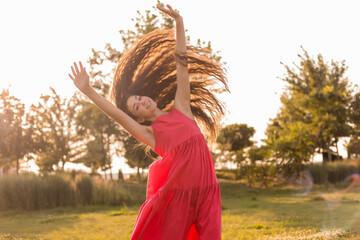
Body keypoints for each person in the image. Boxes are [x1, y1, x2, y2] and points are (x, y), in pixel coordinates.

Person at [69, 4, 228, 240]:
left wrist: (179, 23)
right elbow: (117, 115)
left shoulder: (182, 109)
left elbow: (181, 64)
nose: (142, 102)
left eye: (141, 98)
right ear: (139, 117)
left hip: (208, 192)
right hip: (178, 199)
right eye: (136, 106)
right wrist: (88, 91)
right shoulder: (150, 133)